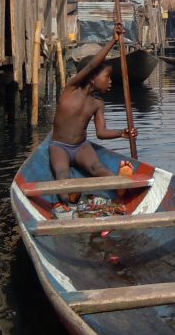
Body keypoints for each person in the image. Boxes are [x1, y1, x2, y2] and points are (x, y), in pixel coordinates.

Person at [50, 22, 137, 205]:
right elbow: (91, 65)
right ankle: (69, 197)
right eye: (107, 77)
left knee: (97, 167)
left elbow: (100, 132)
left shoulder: (97, 103)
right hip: (60, 146)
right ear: (92, 78)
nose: (111, 82)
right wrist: (112, 41)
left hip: (81, 146)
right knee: (62, 173)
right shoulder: (71, 89)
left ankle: (119, 185)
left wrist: (122, 133)